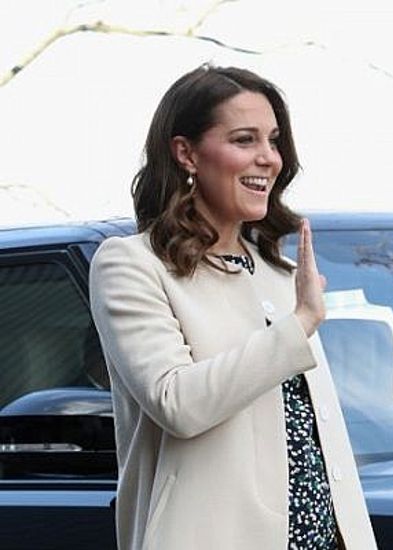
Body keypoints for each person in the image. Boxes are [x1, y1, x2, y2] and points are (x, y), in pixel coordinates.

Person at [90, 65, 376, 550]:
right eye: (245, 140)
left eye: (273, 140)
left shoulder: (281, 272)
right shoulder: (131, 265)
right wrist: (301, 322)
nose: (269, 158)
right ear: (186, 153)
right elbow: (177, 403)